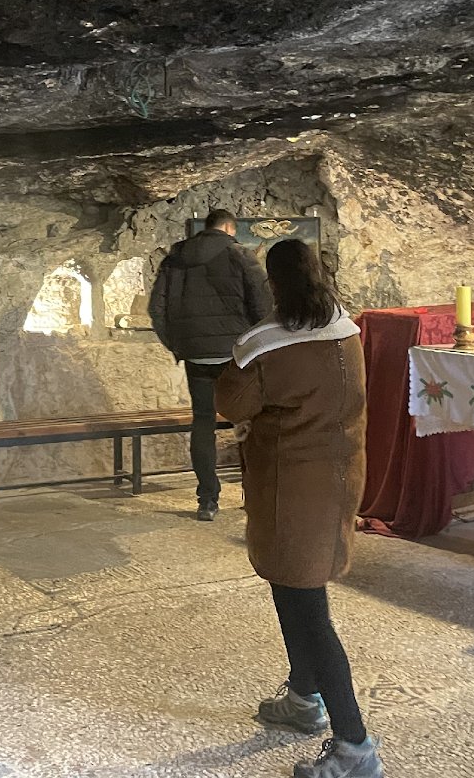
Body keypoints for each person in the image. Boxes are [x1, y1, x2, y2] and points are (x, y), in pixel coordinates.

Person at [215, 238, 381, 778]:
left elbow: (231, 402)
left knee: (308, 612)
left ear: (274, 284)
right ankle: (304, 698)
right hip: (338, 482)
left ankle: (355, 746)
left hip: (291, 491)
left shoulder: (264, 345)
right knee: (295, 594)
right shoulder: (347, 330)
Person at [149, 208, 271, 520]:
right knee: (249, 420)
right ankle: (258, 494)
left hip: (196, 355)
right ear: (229, 227)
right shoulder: (241, 256)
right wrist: (255, 347)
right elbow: (261, 305)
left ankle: (207, 500)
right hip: (235, 355)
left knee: (202, 423)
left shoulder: (175, 259)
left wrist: (178, 345)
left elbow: (157, 309)